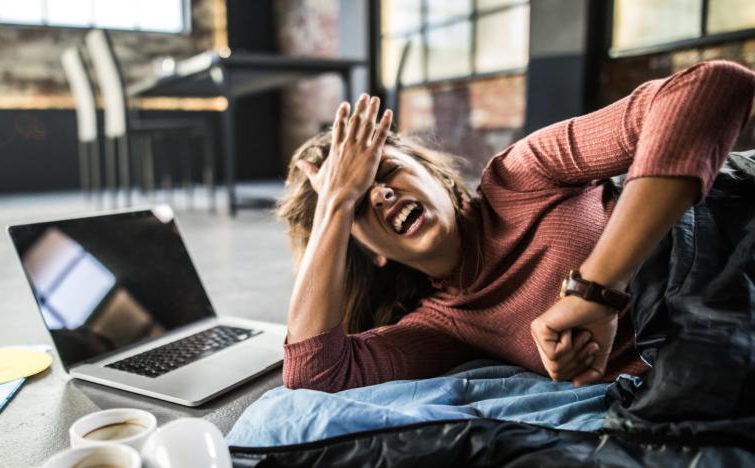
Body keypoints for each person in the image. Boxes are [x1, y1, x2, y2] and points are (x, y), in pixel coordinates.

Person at [276, 60, 755, 393]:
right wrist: (334, 204)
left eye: (385, 173)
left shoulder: (520, 175)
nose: (379, 194)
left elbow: (713, 86)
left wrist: (596, 292)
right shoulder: (445, 325)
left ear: (437, 175)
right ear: (369, 252)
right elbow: (315, 374)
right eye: (360, 205)